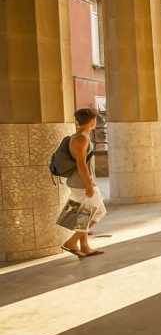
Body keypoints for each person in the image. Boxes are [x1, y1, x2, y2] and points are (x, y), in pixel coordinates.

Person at [61, 108, 106, 258]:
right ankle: (72, 242)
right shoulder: (81, 139)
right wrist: (88, 184)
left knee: (85, 213)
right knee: (99, 211)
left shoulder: (80, 136)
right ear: (92, 120)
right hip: (82, 183)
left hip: (78, 181)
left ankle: (85, 246)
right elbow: (81, 163)